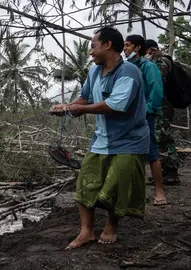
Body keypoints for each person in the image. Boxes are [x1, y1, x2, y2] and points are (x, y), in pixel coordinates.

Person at [50, 27, 149, 249]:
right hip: (101, 140)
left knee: (117, 184)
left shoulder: (129, 72)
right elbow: (85, 98)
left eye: (93, 46)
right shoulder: (94, 73)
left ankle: (111, 226)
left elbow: (115, 106)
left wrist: (79, 110)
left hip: (129, 141)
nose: (90, 52)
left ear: (107, 45)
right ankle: (86, 232)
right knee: (85, 182)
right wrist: (67, 107)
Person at [124, 35, 169, 206]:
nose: (124, 49)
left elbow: (156, 92)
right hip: (127, 117)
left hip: (144, 116)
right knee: (130, 154)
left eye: (127, 45)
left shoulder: (148, 67)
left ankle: (159, 191)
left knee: (151, 152)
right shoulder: (126, 67)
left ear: (137, 48)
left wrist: (146, 111)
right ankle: (136, 193)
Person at [143, 39, 180, 185]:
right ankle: (165, 171)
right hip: (161, 105)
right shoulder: (159, 62)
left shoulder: (161, 62)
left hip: (162, 106)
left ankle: (171, 172)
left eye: (145, 52)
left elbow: (156, 82)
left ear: (151, 50)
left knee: (163, 137)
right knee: (159, 138)